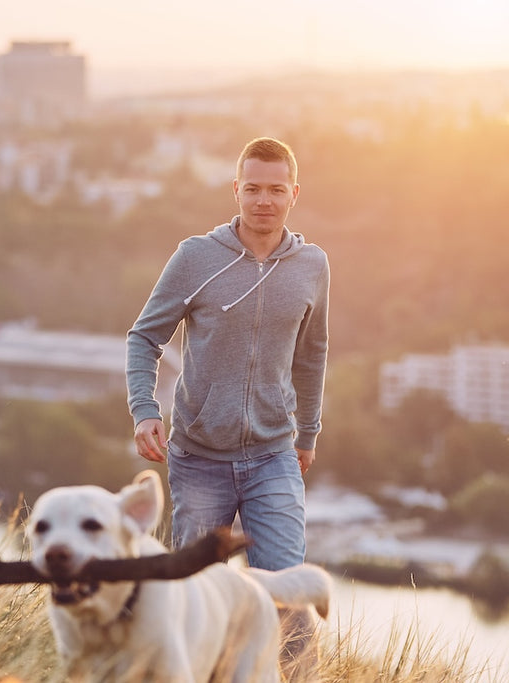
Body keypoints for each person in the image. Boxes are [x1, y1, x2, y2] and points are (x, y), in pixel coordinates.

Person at [125, 136, 330, 573]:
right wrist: (145, 411)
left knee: (287, 591)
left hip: (274, 455)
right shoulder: (196, 257)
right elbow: (145, 337)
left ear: (293, 194)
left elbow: (311, 356)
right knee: (199, 594)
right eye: (253, 188)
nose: (263, 200)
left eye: (276, 190)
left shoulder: (312, 265)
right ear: (235, 189)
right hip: (199, 459)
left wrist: (307, 434)